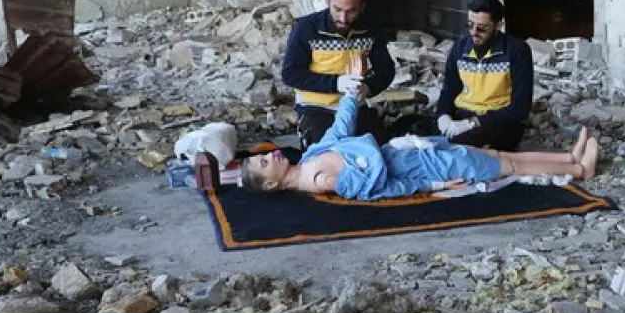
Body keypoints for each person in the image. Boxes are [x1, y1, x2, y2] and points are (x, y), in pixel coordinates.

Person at [240, 94, 598, 201]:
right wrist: (434, 186)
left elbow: (338, 130)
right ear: (272, 183)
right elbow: (381, 190)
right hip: (426, 168)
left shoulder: (308, 158)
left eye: (263, 155)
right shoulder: (319, 178)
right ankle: (581, 170)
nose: (270, 154)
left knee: (502, 156)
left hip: (416, 150)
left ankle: (568, 158)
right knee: (508, 167)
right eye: (264, 164)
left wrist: (351, 92)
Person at [281, 0, 397, 149]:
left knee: (381, 151)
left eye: (351, 11)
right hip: (316, 107)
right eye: (337, 10)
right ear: (328, 2)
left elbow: (386, 70)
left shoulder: (370, 29)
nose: (343, 18)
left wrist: (368, 87)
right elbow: (290, 74)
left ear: (361, 7)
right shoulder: (306, 27)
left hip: (355, 105)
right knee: (327, 154)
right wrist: (336, 83)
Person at [435, 0, 534, 151]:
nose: (474, 32)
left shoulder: (517, 51)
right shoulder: (459, 48)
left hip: (497, 122)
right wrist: (444, 117)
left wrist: (474, 122)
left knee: (454, 146)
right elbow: (449, 90)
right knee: (410, 129)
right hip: (463, 116)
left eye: (482, 28)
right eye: (470, 25)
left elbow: (520, 108)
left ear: (498, 26)